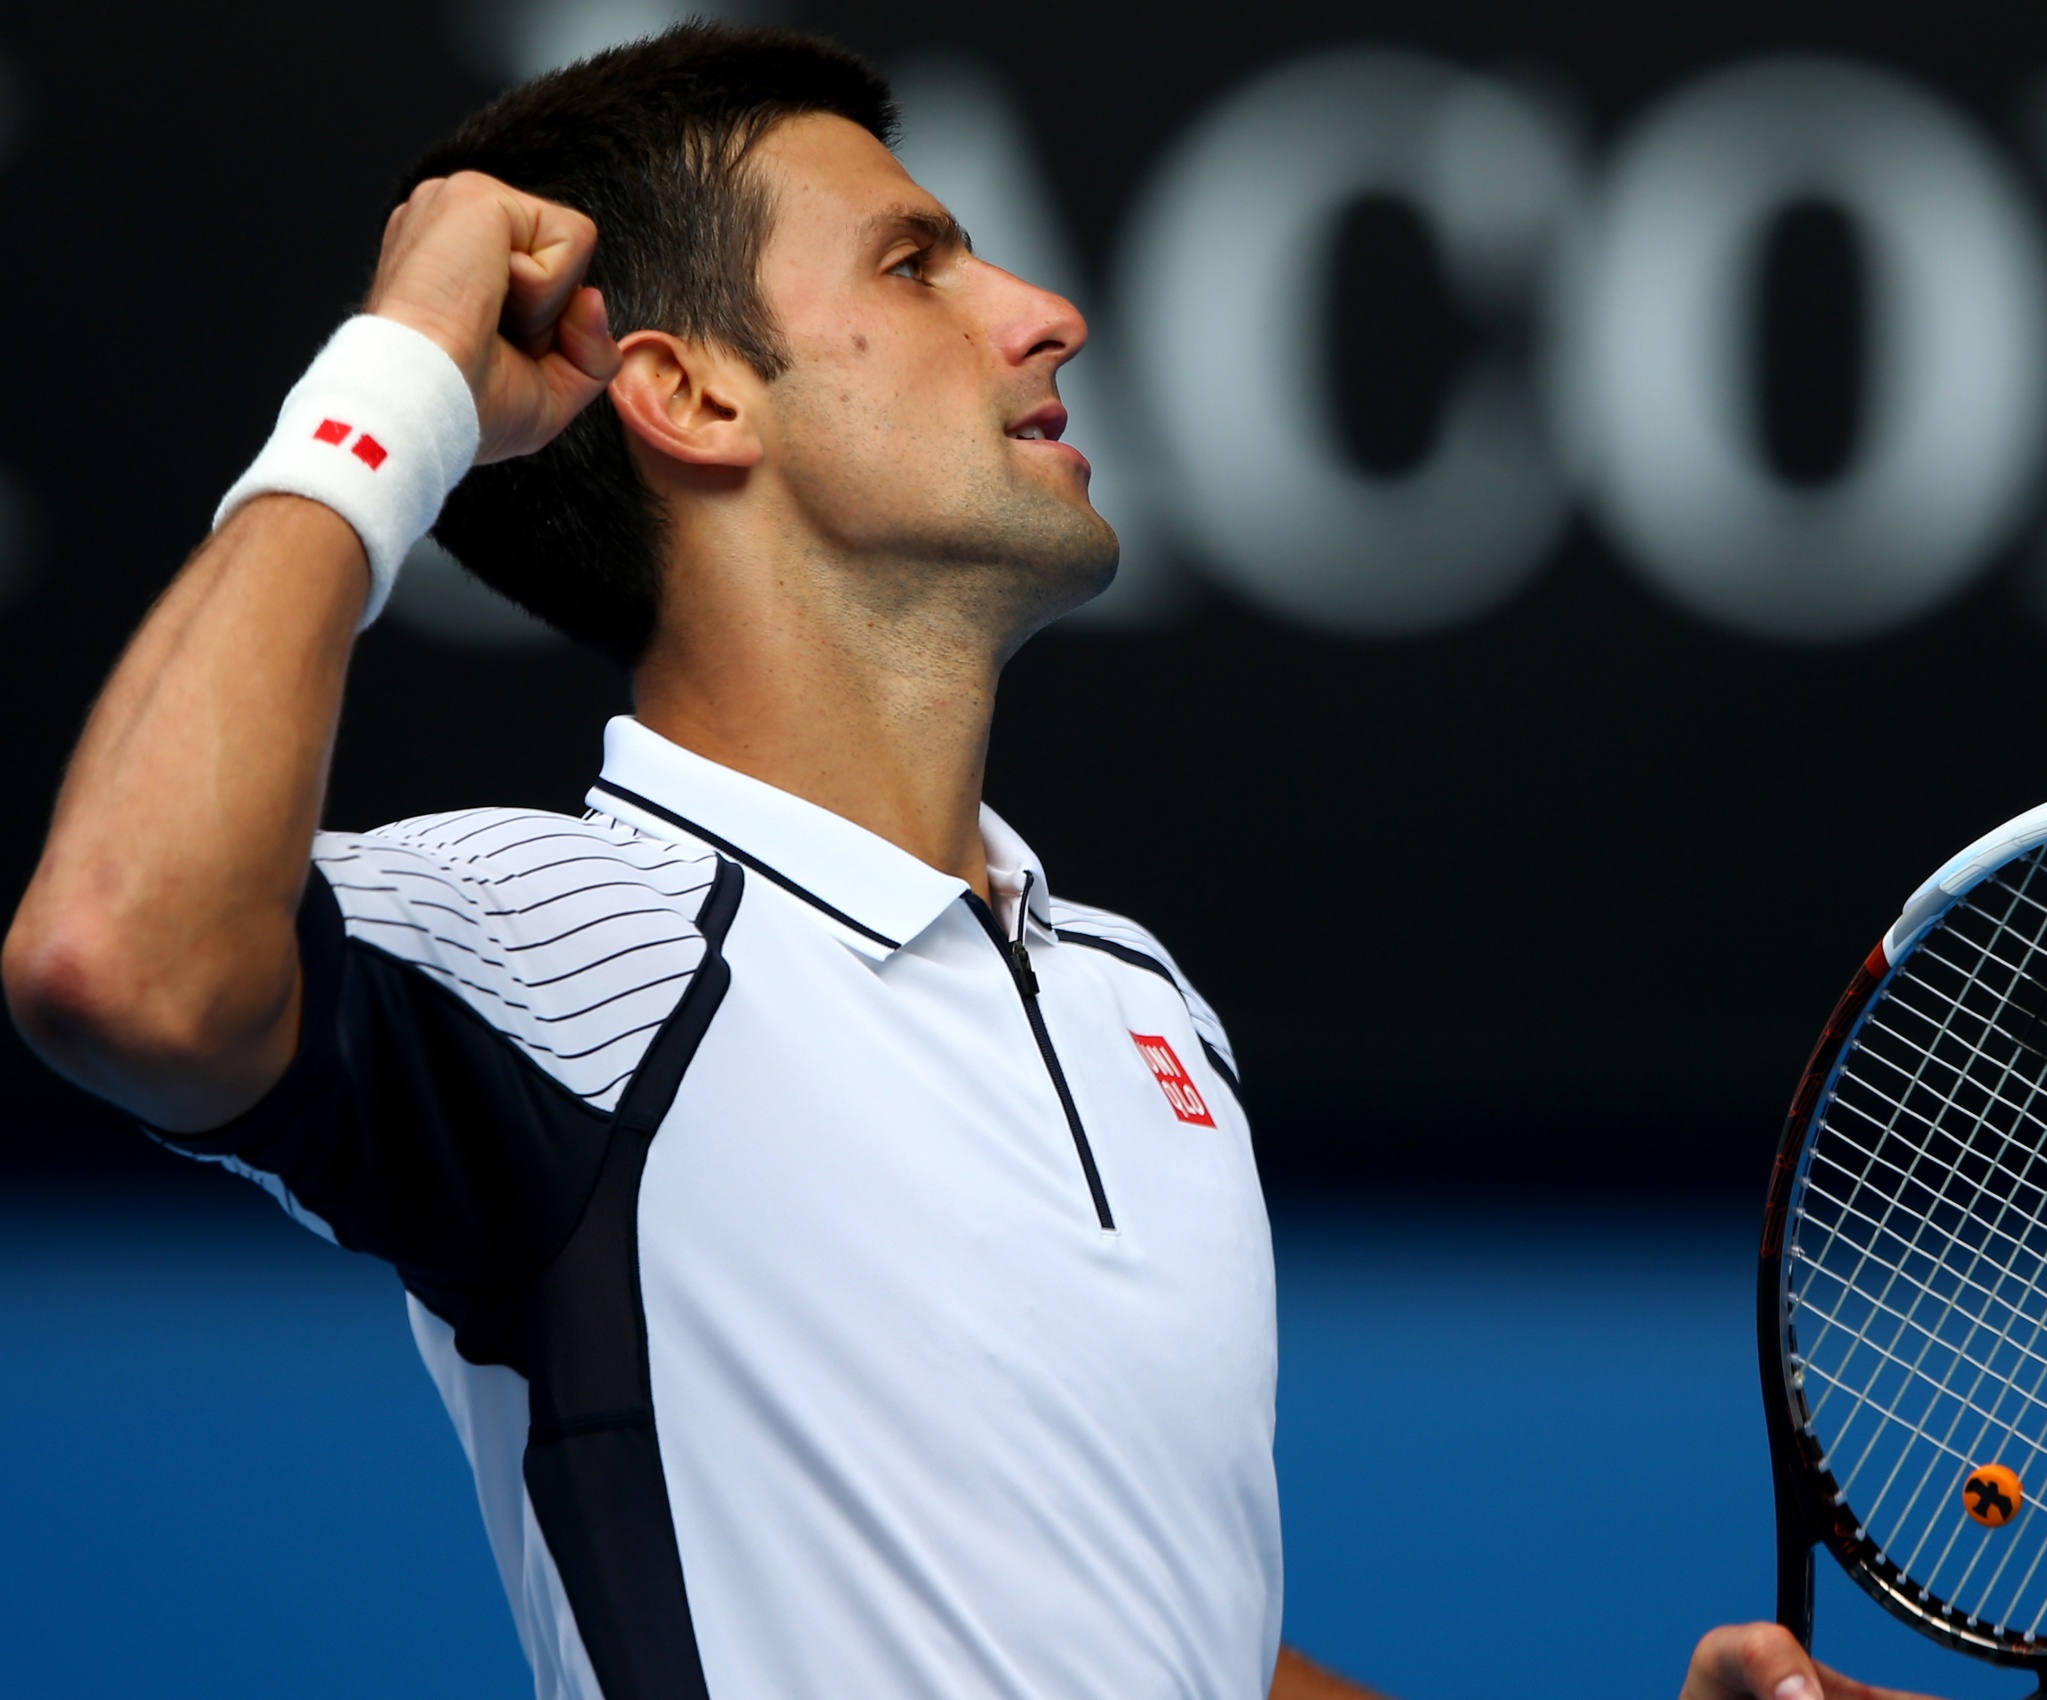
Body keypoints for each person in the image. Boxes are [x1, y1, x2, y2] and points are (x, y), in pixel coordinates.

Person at [4, 23, 1929, 1700]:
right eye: (919, 262)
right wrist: (399, 375)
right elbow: (116, 959)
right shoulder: (551, 946)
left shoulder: (1142, 1004)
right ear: (689, 394)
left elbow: (1152, 1654)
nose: (1043, 310)